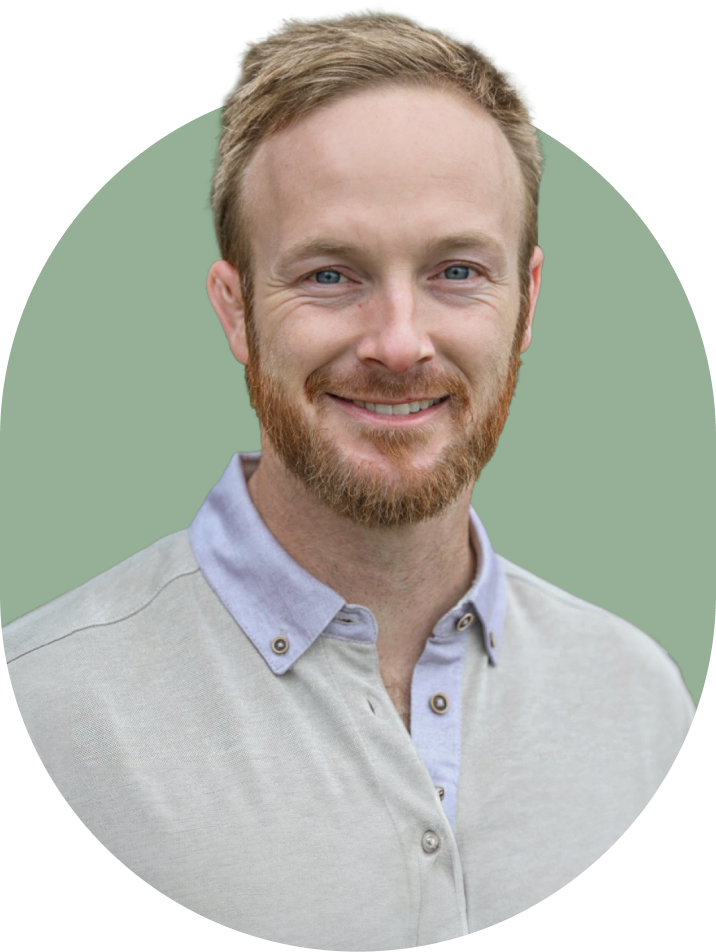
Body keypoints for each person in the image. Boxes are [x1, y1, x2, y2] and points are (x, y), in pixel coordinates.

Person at [3, 7, 695, 945]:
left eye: (457, 271)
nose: (400, 344)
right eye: (331, 275)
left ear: (527, 304)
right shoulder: (51, 713)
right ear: (237, 311)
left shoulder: (640, 702)